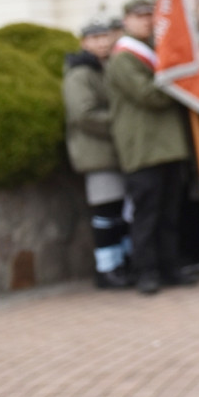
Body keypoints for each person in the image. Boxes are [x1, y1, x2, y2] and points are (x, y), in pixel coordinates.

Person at [106, 0, 196, 294]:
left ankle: (170, 268)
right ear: (126, 20)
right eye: (139, 16)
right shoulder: (123, 57)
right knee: (147, 216)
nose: (146, 21)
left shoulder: (155, 52)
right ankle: (146, 272)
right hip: (143, 149)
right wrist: (179, 79)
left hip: (169, 147)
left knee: (170, 214)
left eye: (149, 16)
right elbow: (149, 95)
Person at [62, 16, 131, 289]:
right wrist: (122, 124)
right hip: (97, 154)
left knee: (118, 212)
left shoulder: (106, 67)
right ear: (84, 42)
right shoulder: (80, 73)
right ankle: (106, 268)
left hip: (114, 151)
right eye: (95, 38)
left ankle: (121, 262)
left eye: (105, 36)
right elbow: (84, 114)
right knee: (105, 212)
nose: (102, 42)